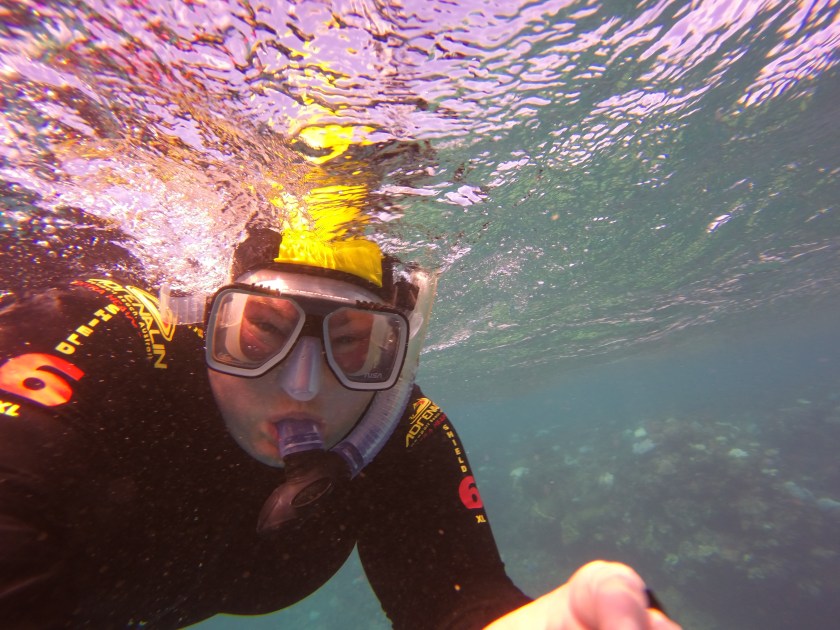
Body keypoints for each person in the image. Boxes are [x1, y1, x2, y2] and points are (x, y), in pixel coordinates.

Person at [0, 223, 679, 629]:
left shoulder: (397, 434)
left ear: (397, 353)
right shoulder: (117, 344)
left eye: (353, 344)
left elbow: (457, 603)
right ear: (206, 316)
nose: (302, 386)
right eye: (261, 331)